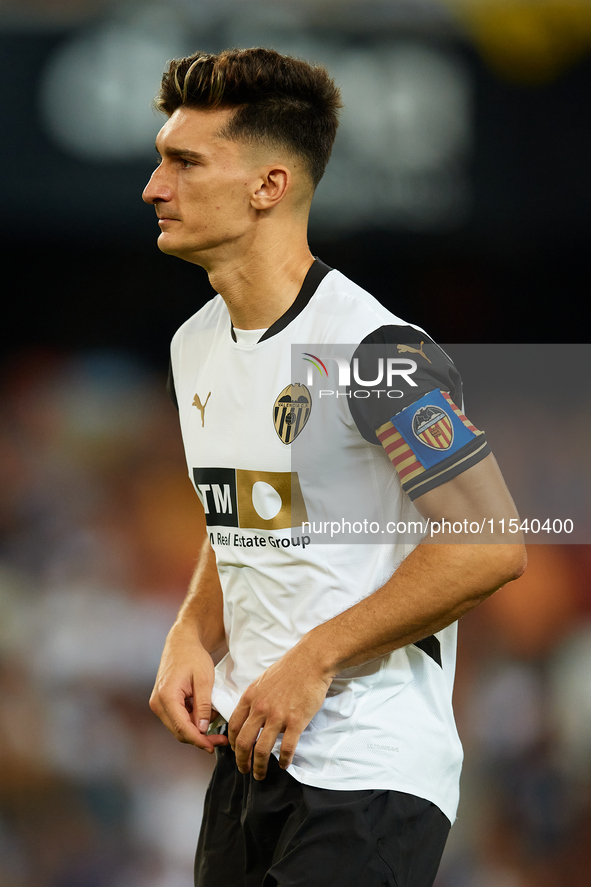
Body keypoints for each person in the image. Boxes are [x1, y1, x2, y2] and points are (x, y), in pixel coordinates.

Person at [143, 47, 526, 887]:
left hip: (368, 769)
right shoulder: (193, 343)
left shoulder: (375, 353)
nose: (153, 186)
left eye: (183, 161)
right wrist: (190, 632)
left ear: (268, 186)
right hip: (250, 758)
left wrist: (312, 657)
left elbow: (490, 542)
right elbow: (245, 513)